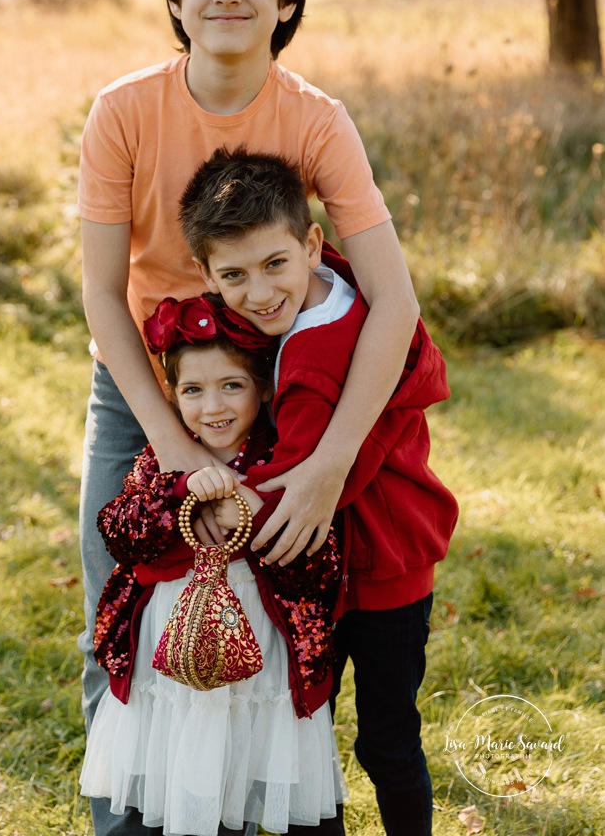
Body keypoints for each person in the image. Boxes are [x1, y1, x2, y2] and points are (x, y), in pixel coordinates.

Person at [77, 0, 419, 836]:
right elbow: (104, 295)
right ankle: (128, 821)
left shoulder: (315, 120)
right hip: (144, 389)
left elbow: (396, 302)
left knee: (266, 631)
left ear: (285, 1)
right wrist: (172, 447)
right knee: (124, 611)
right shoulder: (122, 112)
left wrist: (328, 465)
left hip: (276, 393)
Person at [178, 147, 460, 836]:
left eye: (274, 265)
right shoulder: (344, 282)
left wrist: (201, 501)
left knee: (351, 741)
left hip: (373, 566)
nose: (259, 292)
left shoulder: (310, 360)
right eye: (234, 276)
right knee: (370, 736)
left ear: (309, 243)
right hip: (387, 556)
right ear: (208, 274)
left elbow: (291, 494)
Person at [79, 294, 346, 836]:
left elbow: (320, 567)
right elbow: (120, 533)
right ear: (172, 396)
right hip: (170, 655)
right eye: (193, 390)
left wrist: (254, 515)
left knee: (239, 769)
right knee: (177, 770)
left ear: (263, 388)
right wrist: (181, 498)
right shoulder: (165, 459)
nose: (213, 406)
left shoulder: (281, 462)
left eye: (232, 385)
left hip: (260, 657)